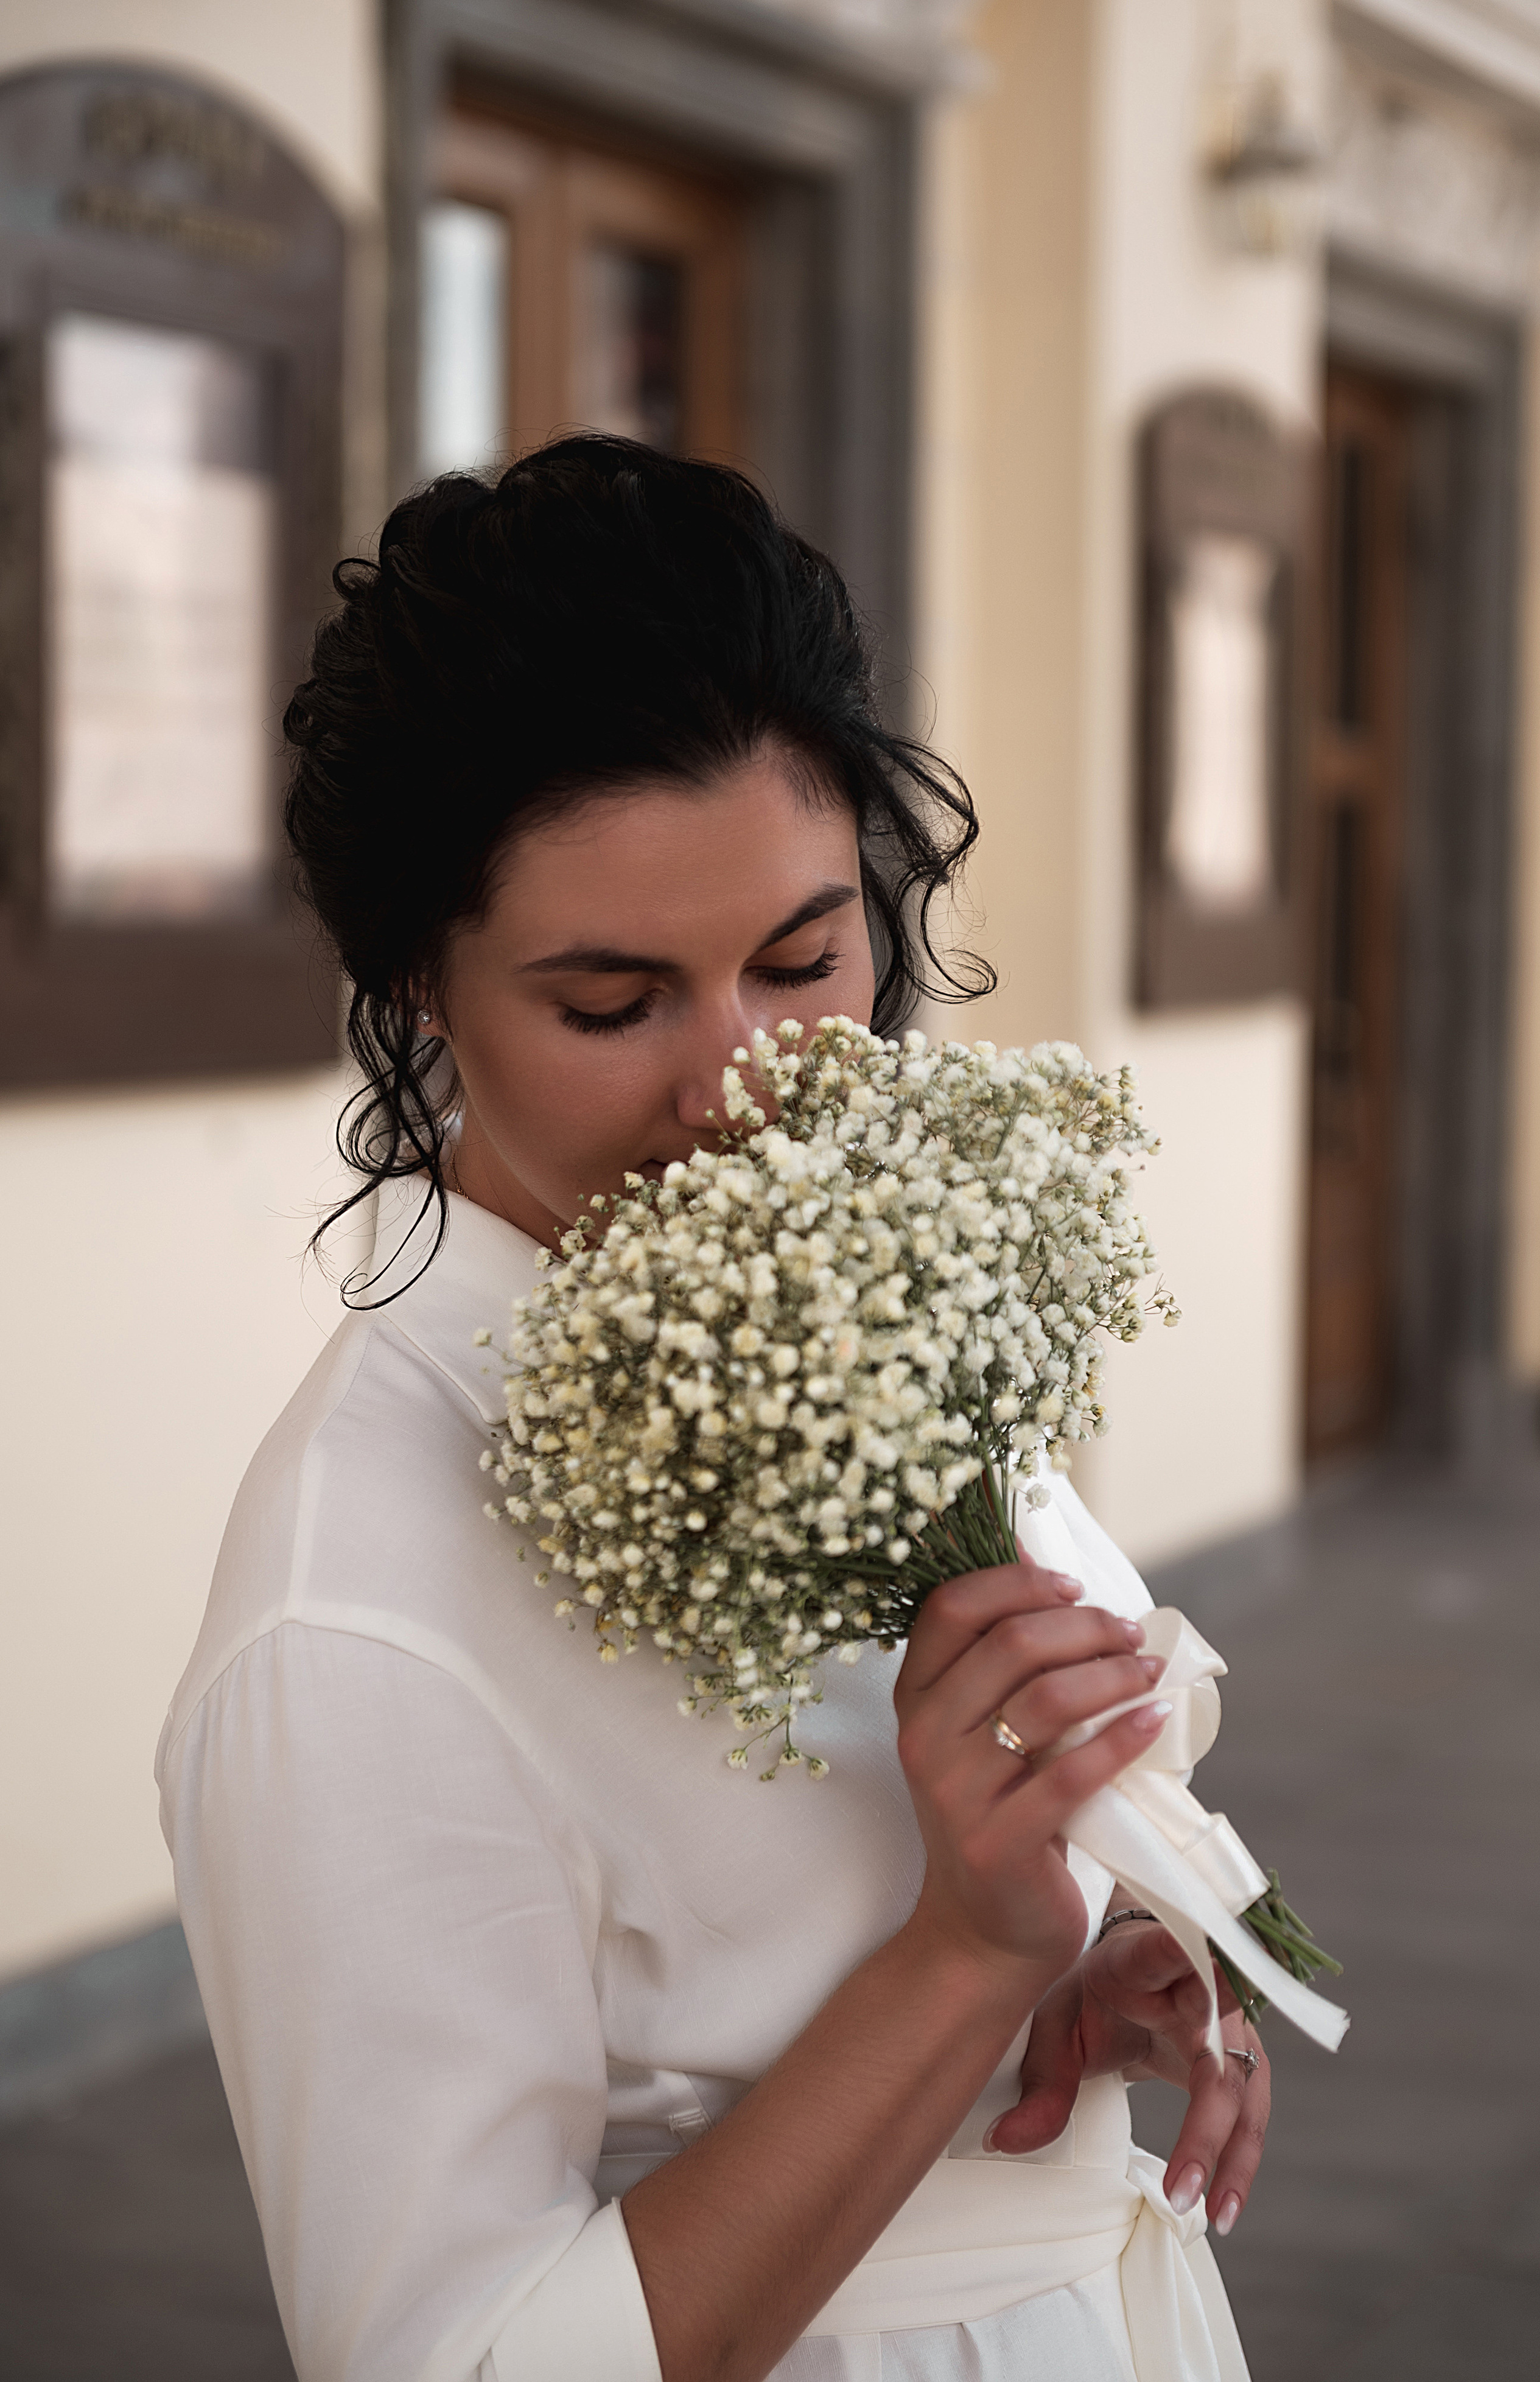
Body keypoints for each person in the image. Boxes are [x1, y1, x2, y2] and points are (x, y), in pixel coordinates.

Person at [158, 436, 1265, 2382]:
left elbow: (787, 1969)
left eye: (803, 955)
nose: (744, 1086)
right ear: (419, 982)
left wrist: (1084, 1970)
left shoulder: (853, 1305)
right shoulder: (353, 1615)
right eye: (612, 1001)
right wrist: (957, 1962)